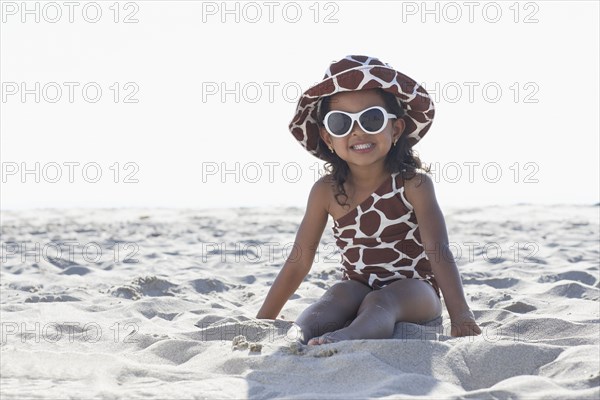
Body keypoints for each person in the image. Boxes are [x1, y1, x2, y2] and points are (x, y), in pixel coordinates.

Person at [256, 55, 481, 345]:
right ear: (327, 138)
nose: (358, 131)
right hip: (357, 286)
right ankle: (298, 334)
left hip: (415, 292)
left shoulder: (414, 185)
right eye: (341, 123)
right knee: (336, 297)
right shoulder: (326, 191)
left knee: (383, 300)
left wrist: (461, 316)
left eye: (371, 119)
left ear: (396, 129)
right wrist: (264, 320)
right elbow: (299, 261)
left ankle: (348, 336)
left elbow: (439, 252)